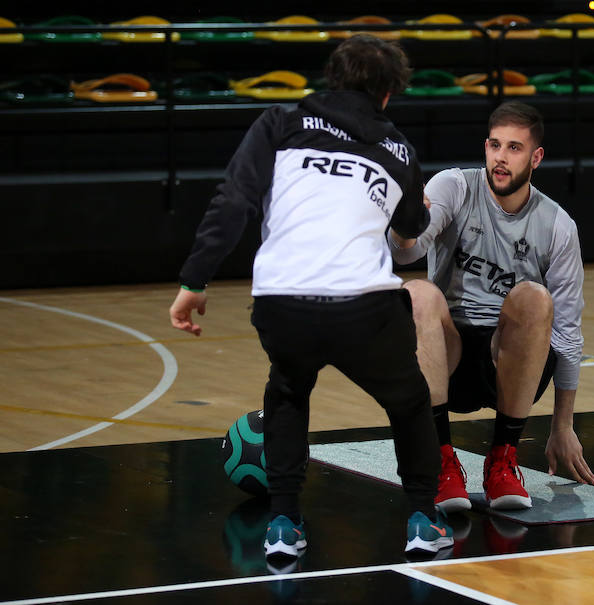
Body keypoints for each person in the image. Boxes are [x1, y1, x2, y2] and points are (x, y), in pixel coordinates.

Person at [169, 34, 453, 561]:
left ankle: (283, 524)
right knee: (410, 401)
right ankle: (422, 518)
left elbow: (234, 200)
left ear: (332, 77)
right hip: (363, 305)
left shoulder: (279, 122)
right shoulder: (398, 150)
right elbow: (412, 227)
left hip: (282, 301)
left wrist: (194, 281)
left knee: (287, 391)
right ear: (388, 93)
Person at [389, 101, 594, 514]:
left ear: (536, 157)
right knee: (417, 293)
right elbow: (405, 254)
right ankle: (441, 461)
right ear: (485, 146)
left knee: (535, 297)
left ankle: (503, 459)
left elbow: (569, 334)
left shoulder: (558, 225)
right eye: (495, 145)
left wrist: (562, 425)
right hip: (447, 355)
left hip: (510, 360)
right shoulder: (455, 186)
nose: (501, 157)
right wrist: (405, 224)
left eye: (514, 148)